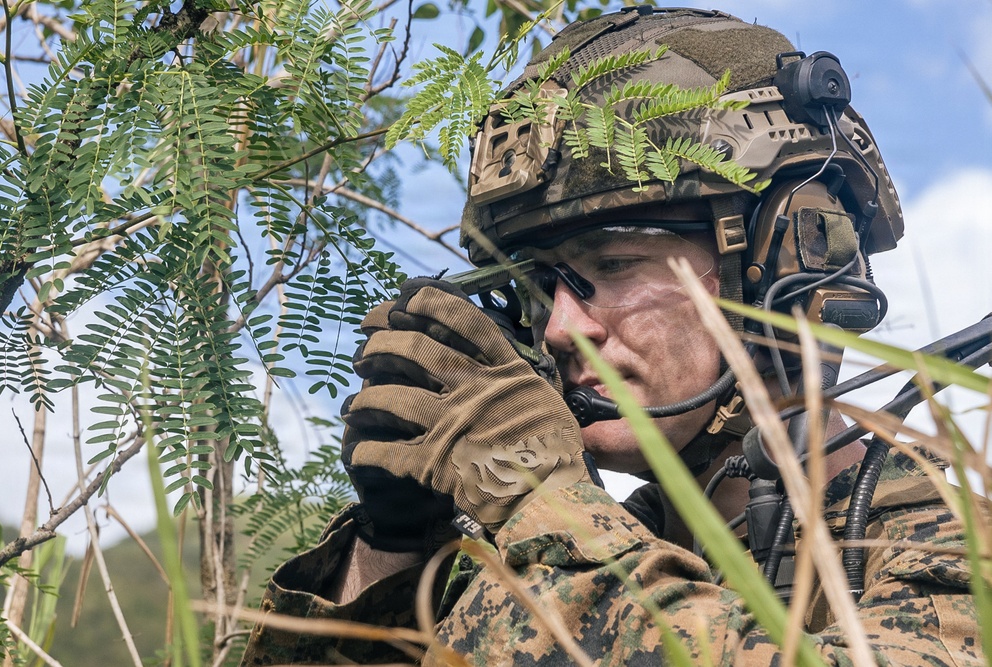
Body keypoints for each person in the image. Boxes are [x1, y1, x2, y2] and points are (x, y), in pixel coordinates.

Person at [241, 7, 983, 665]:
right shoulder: (574, 559)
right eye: (541, 286)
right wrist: (393, 544)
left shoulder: (944, 554)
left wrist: (543, 497)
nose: (562, 328)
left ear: (788, 256)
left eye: (615, 263)